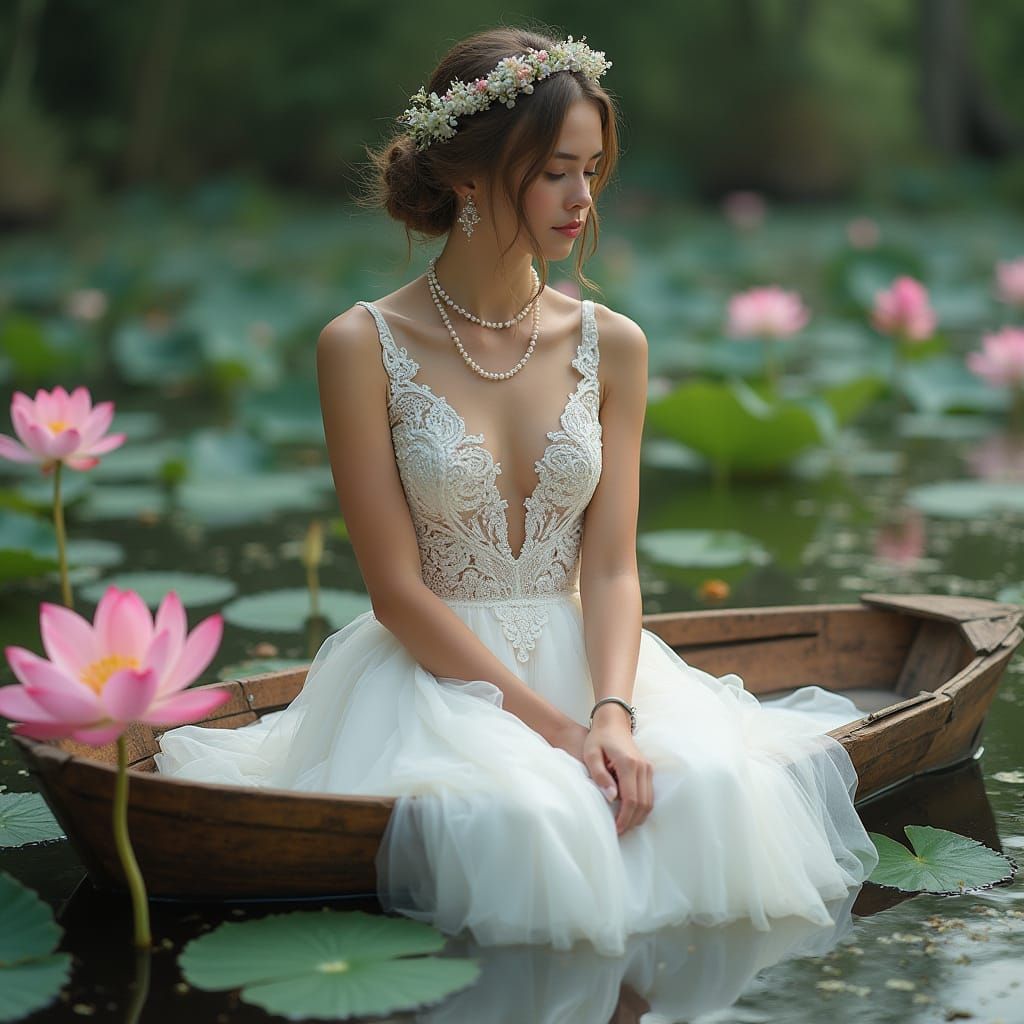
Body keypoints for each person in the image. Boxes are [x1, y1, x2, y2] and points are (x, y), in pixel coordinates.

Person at [155, 26, 879, 957]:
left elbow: (612, 566)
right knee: (530, 815)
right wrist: (553, 731)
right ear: (468, 174)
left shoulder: (614, 342)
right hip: (435, 678)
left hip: (595, 662)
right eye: (552, 173)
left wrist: (610, 716)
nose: (582, 198)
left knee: (707, 785)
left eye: (592, 169)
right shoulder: (360, 345)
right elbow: (396, 591)